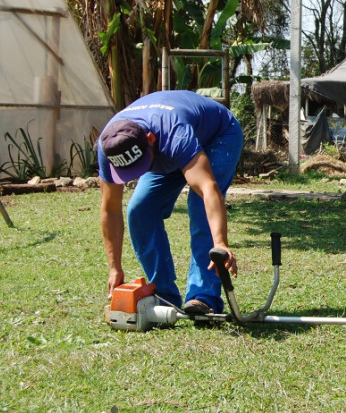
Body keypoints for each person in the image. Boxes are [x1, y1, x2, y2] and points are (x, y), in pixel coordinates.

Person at [97, 90, 244, 315]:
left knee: (198, 205)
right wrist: (114, 267)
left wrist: (220, 243)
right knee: (140, 210)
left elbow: (207, 189)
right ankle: (164, 295)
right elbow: (110, 209)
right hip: (164, 152)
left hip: (217, 136)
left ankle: (203, 297)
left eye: (141, 165)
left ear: (150, 139)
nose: (139, 173)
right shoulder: (109, 146)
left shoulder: (175, 133)